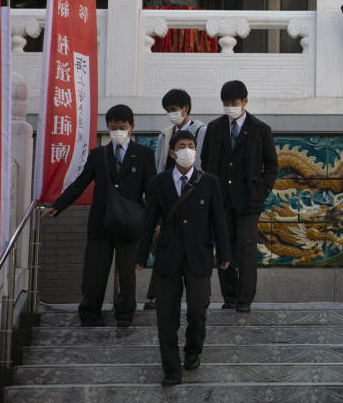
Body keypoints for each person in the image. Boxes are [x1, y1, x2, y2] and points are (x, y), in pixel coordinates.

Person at [42, 104, 156, 328]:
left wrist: (155, 221)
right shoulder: (98, 155)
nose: (117, 132)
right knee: (95, 273)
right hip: (100, 224)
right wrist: (59, 205)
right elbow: (80, 184)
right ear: (107, 127)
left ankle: (125, 315)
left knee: (127, 273)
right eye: (113, 128)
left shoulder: (144, 155)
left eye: (122, 127)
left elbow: (151, 191)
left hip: (129, 223)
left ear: (131, 127)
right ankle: (90, 314)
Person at [136, 130, 231, 387]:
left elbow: (219, 221)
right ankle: (171, 370)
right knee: (166, 317)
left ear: (196, 151)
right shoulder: (158, 183)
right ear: (173, 152)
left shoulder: (209, 182)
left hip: (199, 257)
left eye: (191, 145)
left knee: (198, 311)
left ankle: (193, 351)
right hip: (168, 257)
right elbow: (148, 223)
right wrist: (141, 256)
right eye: (182, 145)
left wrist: (224, 254)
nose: (187, 149)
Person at [200, 80, 278, 313]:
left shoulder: (260, 129)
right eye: (226, 103)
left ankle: (245, 298)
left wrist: (261, 189)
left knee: (245, 248)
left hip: (249, 200)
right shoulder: (214, 128)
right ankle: (230, 295)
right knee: (224, 246)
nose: (230, 107)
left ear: (245, 101)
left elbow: (271, 165)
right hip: (221, 198)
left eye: (234, 103)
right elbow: (205, 159)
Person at [146, 88, 207, 309]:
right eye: (168, 111)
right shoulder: (166, 134)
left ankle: (200, 297)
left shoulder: (201, 130)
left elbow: (202, 163)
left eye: (174, 109)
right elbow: (159, 164)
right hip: (170, 193)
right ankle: (155, 295)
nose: (172, 114)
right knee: (165, 245)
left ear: (185, 108)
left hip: (192, 193)